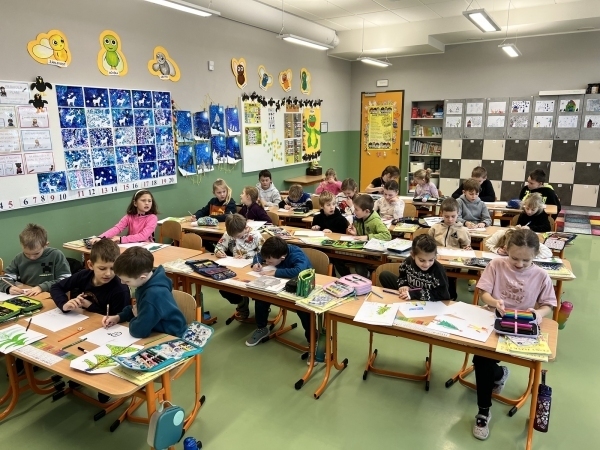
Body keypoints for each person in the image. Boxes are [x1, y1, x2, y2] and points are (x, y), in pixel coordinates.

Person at [472, 229, 556, 440]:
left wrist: (538, 313)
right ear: (506, 250)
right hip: (494, 319)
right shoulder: (496, 265)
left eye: (526, 260)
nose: (519, 264)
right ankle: (484, 410)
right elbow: (484, 293)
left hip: (522, 325)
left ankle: (498, 375)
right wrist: (494, 302)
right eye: (514, 258)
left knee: (482, 361)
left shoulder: (541, 275)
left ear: (535, 255)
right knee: (481, 359)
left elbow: (548, 305)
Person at [103, 247, 186, 338]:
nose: (122, 283)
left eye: (127, 281)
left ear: (142, 277)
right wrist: (119, 317)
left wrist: (137, 317)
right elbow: (139, 308)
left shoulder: (153, 295)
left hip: (171, 337)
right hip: (159, 331)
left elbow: (138, 331)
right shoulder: (149, 281)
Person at [245, 237, 312, 347]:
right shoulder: (273, 251)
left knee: (303, 308)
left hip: (299, 285)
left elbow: (299, 271)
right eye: (266, 260)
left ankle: (312, 339)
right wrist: (256, 263)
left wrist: (275, 272)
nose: (267, 262)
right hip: (278, 284)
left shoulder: (296, 254)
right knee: (261, 296)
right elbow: (259, 255)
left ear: (282, 257)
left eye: (270, 261)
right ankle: (262, 328)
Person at [51, 239, 130, 315]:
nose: (108, 274)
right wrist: (64, 304)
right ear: (91, 265)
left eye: (113, 268)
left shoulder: (120, 289)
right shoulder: (84, 275)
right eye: (102, 268)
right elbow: (56, 287)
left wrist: (90, 306)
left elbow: (120, 318)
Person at [215, 214, 264, 319]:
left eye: (238, 236)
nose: (235, 238)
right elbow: (219, 246)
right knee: (223, 288)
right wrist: (219, 252)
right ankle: (241, 302)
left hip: (252, 268)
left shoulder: (255, 235)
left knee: (258, 292)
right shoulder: (229, 234)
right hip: (235, 267)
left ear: (245, 228)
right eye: (233, 236)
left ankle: (260, 315)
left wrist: (253, 261)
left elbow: (264, 253)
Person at [0, 223, 70, 295]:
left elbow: (66, 280)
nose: (31, 257)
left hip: (52, 295)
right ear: (22, 246)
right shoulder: (19, 258)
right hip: (29, 295)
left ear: (45, 245)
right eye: (27, 253)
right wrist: (9, 287)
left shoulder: (55, 255)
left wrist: (42, 287)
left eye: (36, 253)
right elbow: (4, 278)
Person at [379, 234, 450, 301]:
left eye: (431, 260)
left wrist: (414, 294)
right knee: (385, 275)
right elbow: (402, 276)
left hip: (428, 301)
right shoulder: (407, 262)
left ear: (435, 256)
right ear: (413, 255)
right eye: (422, 260)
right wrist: (403, 285)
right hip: (409, 294)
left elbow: (443, 294)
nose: (427, 264)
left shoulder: (438, 270)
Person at [335, 194, 391, 277]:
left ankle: (367, 278)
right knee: (337, 260)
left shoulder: (376, 221)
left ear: (367, 211)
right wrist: (355, 233)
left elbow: (387, 236)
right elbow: (360, 236)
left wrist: (367, 237)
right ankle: (348, 279)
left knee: (359, 267)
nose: (354, 211)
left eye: (356, 209)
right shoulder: (358, 218)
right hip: (359, 252)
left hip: (372, 255)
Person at [429, 198, 471, 299]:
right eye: (446, 216)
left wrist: (467, 249)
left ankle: (450, 296)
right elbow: (428, 244)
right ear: (441, 214)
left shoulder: (463, 230)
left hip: (453, 263)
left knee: (448, 278)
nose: (450, 219)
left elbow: (466, 247)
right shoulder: (435, 228)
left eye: (453, 216)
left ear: (458, 214)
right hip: (436, 260)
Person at [91, 189, 158, 244]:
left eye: (149, 201)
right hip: (131, 245)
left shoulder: (152, 218)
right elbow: (117, 228)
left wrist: (121, 239)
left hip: (146, 247)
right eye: (143, 200)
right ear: (135, 203)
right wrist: (100, 237)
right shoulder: (129, 216)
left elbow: (143, 236)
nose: (147, 203)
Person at [485, 228, 553, 259]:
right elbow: (487, 243)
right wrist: (496, 250)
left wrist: (531, 241)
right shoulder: (500, 234)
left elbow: (548, 253)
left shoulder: (524, 241)